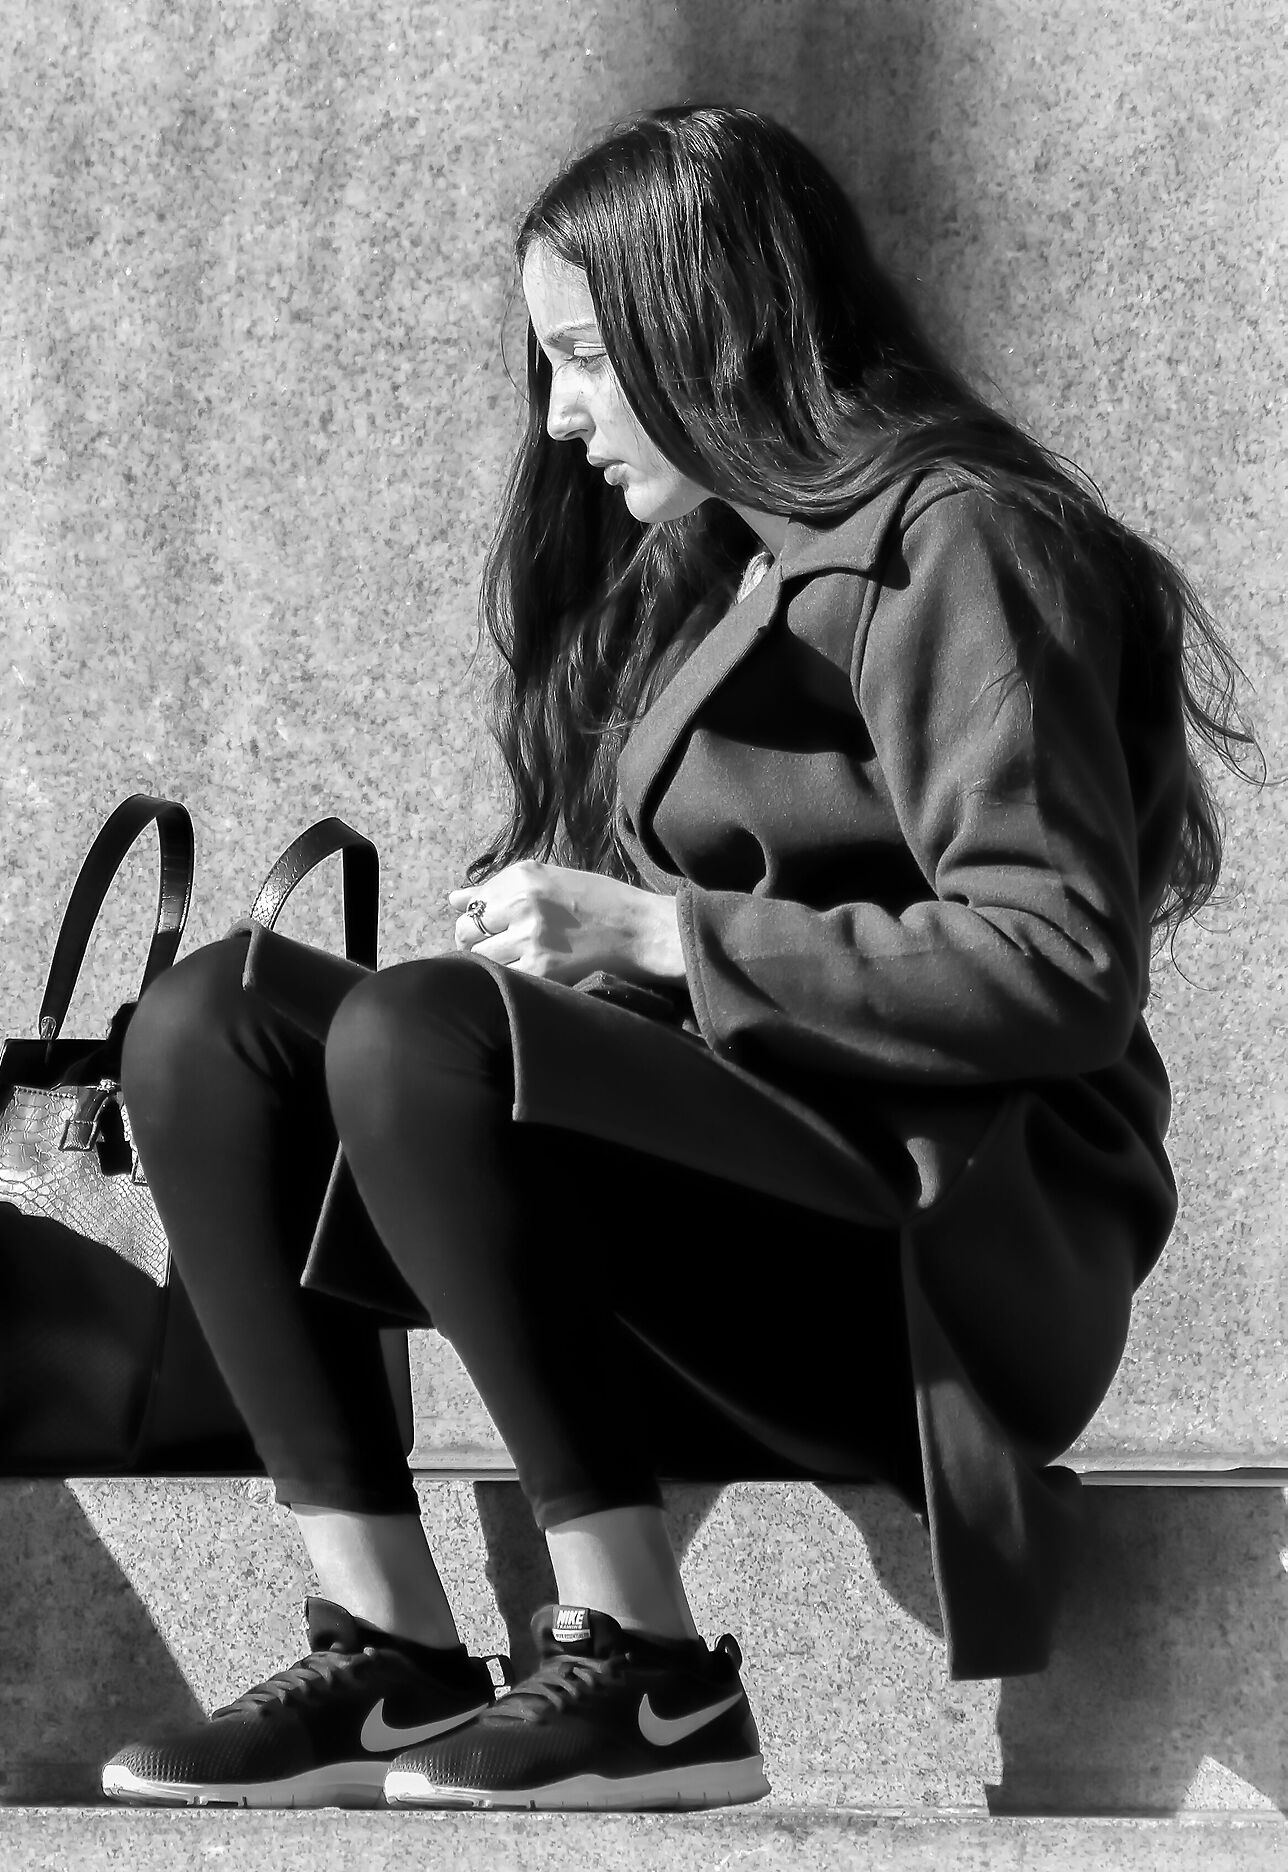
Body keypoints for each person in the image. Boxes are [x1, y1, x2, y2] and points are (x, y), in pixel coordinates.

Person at [99, 105, 1254, 1812]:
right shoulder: (709, 571)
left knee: (429, 1031)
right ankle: (389, 1655)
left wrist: (659, 934)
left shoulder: (961, 541)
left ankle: (649, 1675)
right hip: (748, 1205)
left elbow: (1058, 962)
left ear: (703, 326)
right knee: (213, 1018)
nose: (559, 418)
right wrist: (599, 973)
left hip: (942, 1255)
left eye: (581, 357)